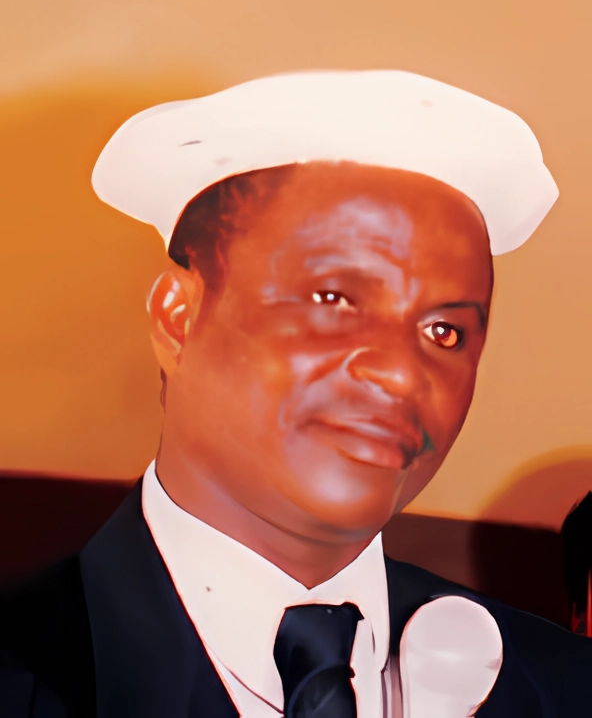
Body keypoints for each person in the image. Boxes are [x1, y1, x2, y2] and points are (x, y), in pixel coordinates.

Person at [2, 70, 591, 717]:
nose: (400, 371)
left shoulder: (563, 687)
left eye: (443, 331)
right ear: (179, 318)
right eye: (333, 299)